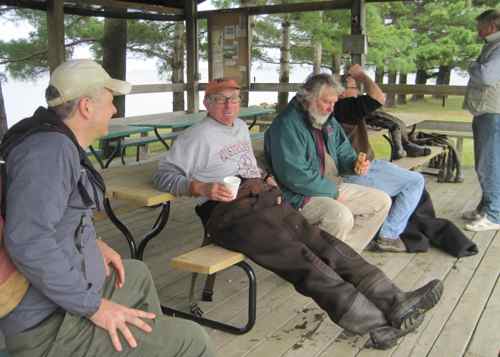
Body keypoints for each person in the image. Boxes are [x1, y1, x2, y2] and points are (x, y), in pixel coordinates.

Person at [153, 78, 443, 350]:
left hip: (263, 199)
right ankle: (375, 325)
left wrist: (265, 177)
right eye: (220, 100)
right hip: (227, 213)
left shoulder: (239, 126)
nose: (229, 105)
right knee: (301, 257)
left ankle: (396, 301)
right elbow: (164, 175)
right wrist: (199, 186)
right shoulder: (195, 136)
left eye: (234, 99)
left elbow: (243, 164)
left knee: (324, 244)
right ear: (207, 103)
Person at [0, 59, 214, 357]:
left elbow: (59, 215)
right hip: (48, 327)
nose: (115, 110)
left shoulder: (57, 141)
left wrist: (94, 243)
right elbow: (29, 240)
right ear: (86, 106)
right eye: (111, 101)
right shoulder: (49, 152)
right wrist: (96, 308)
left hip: (65, 294)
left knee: (135, 273)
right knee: (192, 339)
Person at [264, 72, 391, 246]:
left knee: (381, 202)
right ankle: (329, 263)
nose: (331, 108)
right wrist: (333, 192)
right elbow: (295, 176)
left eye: (334, 102)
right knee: (340, 217)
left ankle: (345, 257)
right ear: (308, 98)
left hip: (330, 187)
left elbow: (343, 151)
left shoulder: (327, 120)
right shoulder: (287, 125)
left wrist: (354, 164)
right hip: (297, 196)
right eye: (326, 102)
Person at [334, 65, 425, 252]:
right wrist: (361, 75)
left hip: (362, 166)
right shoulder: (344, 108)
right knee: (415, 181)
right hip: (355, 171)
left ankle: (384, 229)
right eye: (354, 88)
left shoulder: (340, 108)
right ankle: (388, 236)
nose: (358, 92)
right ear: (341, 93)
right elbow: (378, 97)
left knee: (404, 176)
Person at [463, 9, 500, 232]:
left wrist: (472, 65)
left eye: (480, 25)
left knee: (490, 164)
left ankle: (495, 215)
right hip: (486, 113)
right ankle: (486, 208)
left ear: (492, 26)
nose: (478, 29)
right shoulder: (491, 45)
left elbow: (487, 77)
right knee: (485, 163)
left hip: (493, 114)